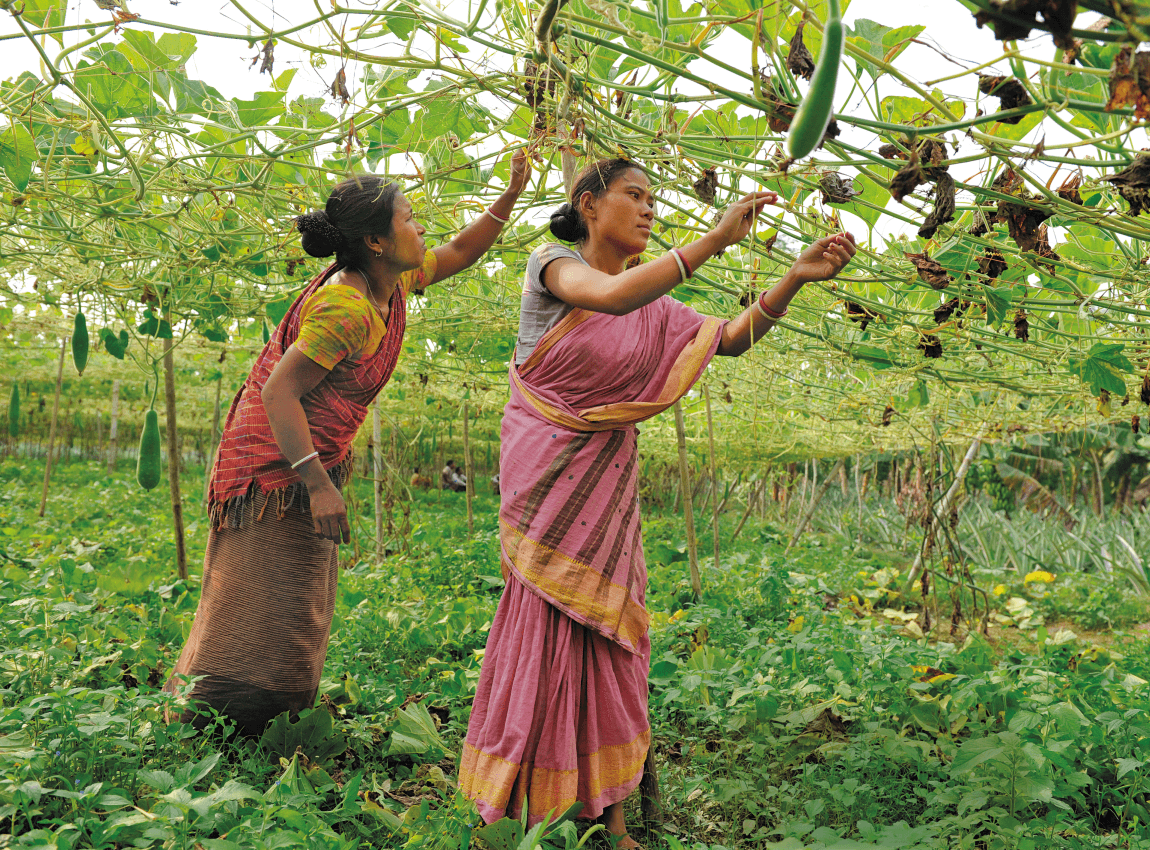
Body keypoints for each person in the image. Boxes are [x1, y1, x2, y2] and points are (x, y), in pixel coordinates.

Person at [458, 158, 856, 846]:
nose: (646, 210)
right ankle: (523, 796)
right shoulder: (553, 266)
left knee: (610, 634)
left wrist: (793, 277)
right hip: (545, 476)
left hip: (604, 488)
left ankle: (610, 815)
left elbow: (724, 341)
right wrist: (713, 241)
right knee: (545, 624)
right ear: (588, 203)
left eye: (653, 200)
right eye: (633, 196)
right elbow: (605, 299)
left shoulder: (655, 304)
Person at [167, 152, 532, 736]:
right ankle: (219, 722)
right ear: (376, 241)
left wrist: (510, 195)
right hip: (275, 467)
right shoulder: (346, 307)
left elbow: (461, 252)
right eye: (409, 218)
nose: (421, 228)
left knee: (295, 598)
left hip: (305, 459)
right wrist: (315, 483)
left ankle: (257, 722)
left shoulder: (393, 279)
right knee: (259, 595)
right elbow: (280, 394)